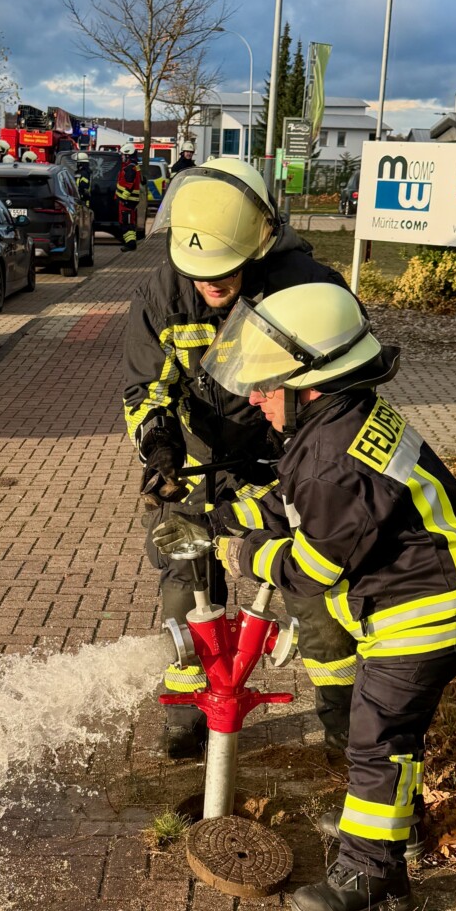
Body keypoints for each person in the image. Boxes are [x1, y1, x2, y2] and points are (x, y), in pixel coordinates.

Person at [154, 281, 456, 911]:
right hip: (448, 586)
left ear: (309, 383)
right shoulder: (343, 416)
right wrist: (229, 513)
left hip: (426, 611)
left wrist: (244, 554)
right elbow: (300, 499)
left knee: (377, 740)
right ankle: (396, 827)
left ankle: (374, 878)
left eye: (266, 386)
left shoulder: (328, 458)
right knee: (390, 734)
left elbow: (312, 569)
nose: (255, 398)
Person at [122, 157, 361, 761]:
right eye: (199, 272)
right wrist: (159, 444)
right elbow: (146, 387)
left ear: (257, 243)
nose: (211, 284)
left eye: (225, 270)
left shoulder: (306, 287)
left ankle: (343, 722)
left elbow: (341, 388)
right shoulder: (165, 292)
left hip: (288, 463)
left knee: (314, 588)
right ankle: (188, 711)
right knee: (186, 574)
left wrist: (307, 462)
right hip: (201, 463)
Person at [115, 143, 143, 251]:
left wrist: (123, 198)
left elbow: (129, 185)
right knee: (128, 222)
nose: (122, 157)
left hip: (127, 201)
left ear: (128, 155)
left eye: (123, 155)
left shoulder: (130, 168)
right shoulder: (134, 166)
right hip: (130, 201)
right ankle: (130, 243)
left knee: (126, 223)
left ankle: (130, 244)